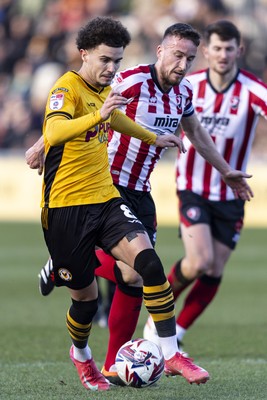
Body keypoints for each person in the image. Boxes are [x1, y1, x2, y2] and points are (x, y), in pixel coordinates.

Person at [26, 20, 253, 390]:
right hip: (105, 183)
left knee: (139, 274)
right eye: (177, 55)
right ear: (160, 51)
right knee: (117, 282)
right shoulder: (127, 80)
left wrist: (225, 169)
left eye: (190, 58)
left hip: (137, 192)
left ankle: (125, 361)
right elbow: (76, 110)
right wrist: (40, 146)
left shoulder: (181, 95)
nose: (183, 64)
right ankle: (68, 270)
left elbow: (193, 131)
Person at [143, 20, 267, 351]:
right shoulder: (188, 86)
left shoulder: (254, 90)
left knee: (213, 269)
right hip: (193, 186)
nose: (223, 54)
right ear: (206, 52)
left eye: (229, 48)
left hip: (232, 192)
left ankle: (178, 333)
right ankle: (156, 319)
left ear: (238, 50)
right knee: (198, 261)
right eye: (216, 48)